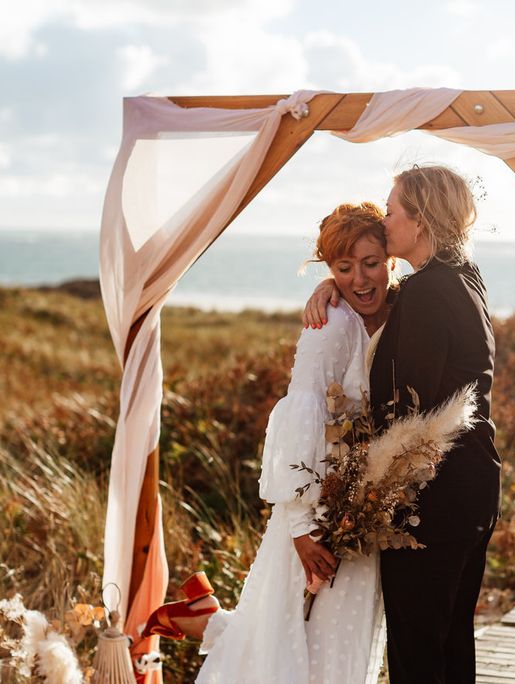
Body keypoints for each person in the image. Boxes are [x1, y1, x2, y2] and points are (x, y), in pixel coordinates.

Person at [145, 203, 392, 684]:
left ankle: (204, 617)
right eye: (343, 268)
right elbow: (301, 413)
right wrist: (301, 526)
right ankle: (205, 618)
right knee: (303, 647)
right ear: (328, 269)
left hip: (364, 509)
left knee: (321, 641)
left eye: (371, 263)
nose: (360, 279)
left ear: (390, 258)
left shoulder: (398, 309)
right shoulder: (330, 326)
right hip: (315, 513)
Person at [304, 165, 501, 684]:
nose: (385, 221)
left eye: (392, 211)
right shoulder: (464, 277)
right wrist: (336, 282)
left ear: (420, 219)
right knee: (450, 638)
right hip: (475, 484)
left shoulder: (427, 291)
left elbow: (405, 408)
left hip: (434, 497)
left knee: (417, 650)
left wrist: (363, 490)